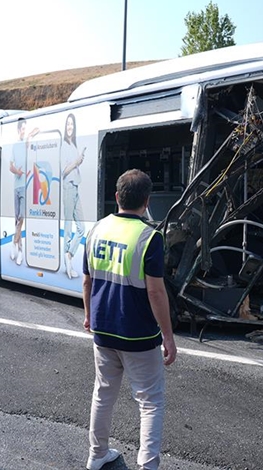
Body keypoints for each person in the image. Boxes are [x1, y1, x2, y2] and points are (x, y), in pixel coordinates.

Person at [82, 169, 177, 470]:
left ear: (116, 197)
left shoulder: (96, 230)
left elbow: (87, 281)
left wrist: (88, 317)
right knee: (150, 402)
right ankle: (147, 466)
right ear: (147, 201)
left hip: (103, 329)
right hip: (138, 335)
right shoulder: (150, 237)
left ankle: (97, 455)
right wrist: (169, 336)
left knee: (103, 393)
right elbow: (156, 293)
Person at [9, 118, 39, 266]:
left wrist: (30, 135)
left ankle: (14, 243)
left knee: (21, 217)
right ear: (18, 130)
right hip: (17, 185)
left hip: (26, 187)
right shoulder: (15, 146)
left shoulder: (27, 143)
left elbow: (35, 133)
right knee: (17, 220)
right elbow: (10, 167)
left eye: (25, 129)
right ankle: (20, 251)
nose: (24, 131)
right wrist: (18, 172)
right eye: (22, 129)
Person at [61, 113, 86, 279]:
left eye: (72, 124)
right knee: (69, 227)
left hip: (75, 187)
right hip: (68, 188)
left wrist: (79, 160)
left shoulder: (73, 144)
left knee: (81, 228)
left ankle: (69, 254)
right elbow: (63, 171)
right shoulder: (64, 146)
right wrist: (77, 162)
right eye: (68, 124)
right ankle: (68, 263)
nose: (70, 127)